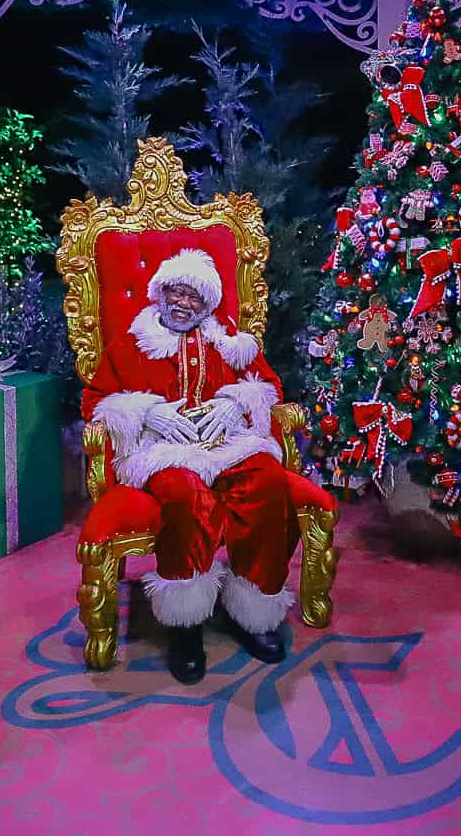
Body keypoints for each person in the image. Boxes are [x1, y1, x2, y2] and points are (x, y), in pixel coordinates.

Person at [82, 247, 299, 683]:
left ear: (208, 305)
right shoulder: (133, 342)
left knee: (270, 482)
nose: (182, 303)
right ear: (159, 293)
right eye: (175, 293)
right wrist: (145, 411)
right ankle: (184, 624)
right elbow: (94, 401)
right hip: (163, 450)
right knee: (185, 496)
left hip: (226, 444)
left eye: (194, 298)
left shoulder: (230, 343)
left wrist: (236, 402)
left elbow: (268, 386)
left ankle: (250, 609)